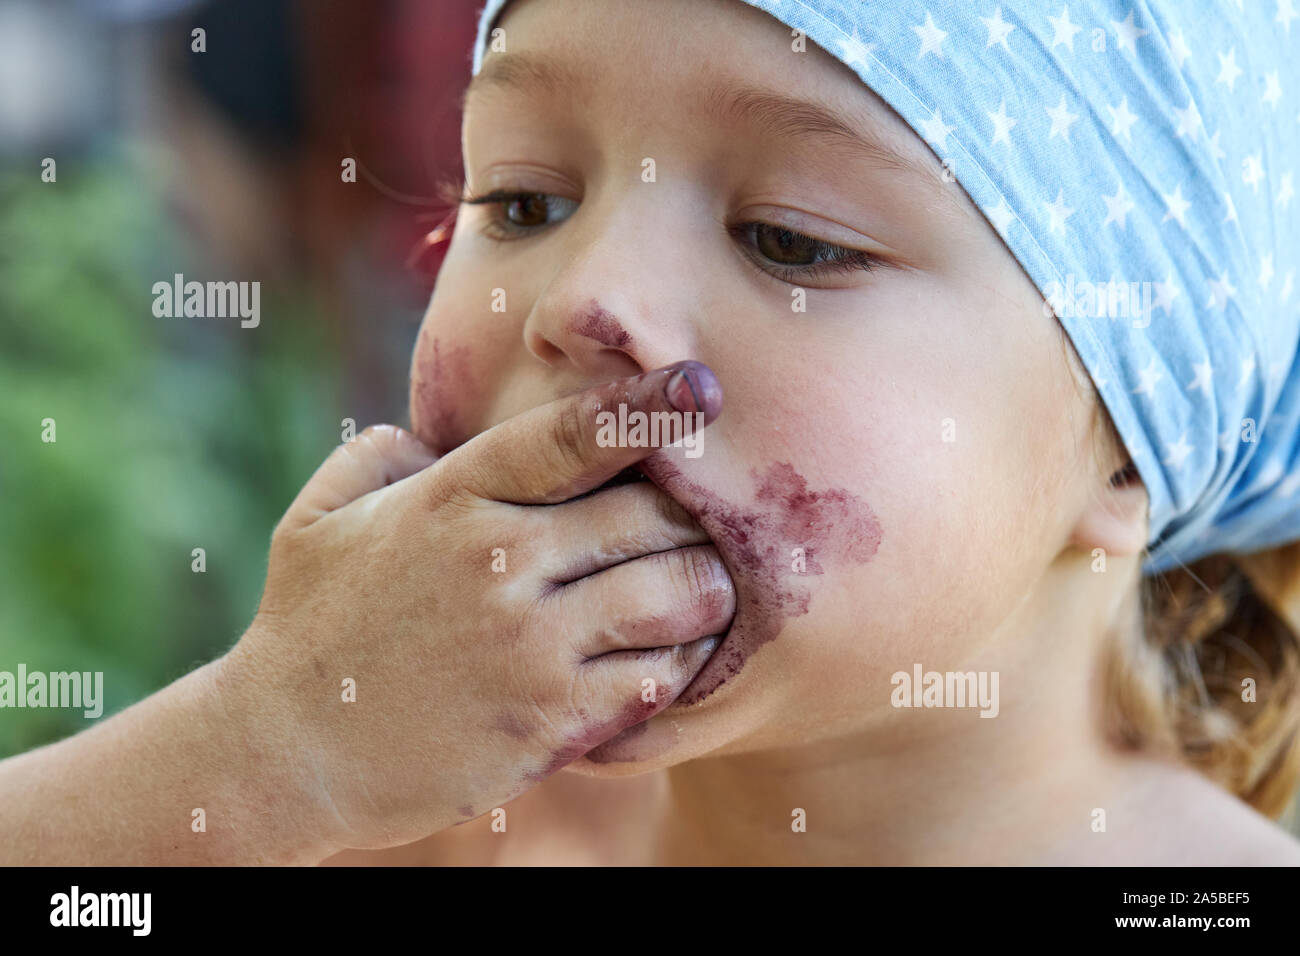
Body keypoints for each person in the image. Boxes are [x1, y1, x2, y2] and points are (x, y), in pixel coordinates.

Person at [4, 0, 1300, 865]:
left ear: (1127, 443)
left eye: (792, 240)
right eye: (521, 201)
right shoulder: (435, 823)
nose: (581, 304)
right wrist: (265, 751)